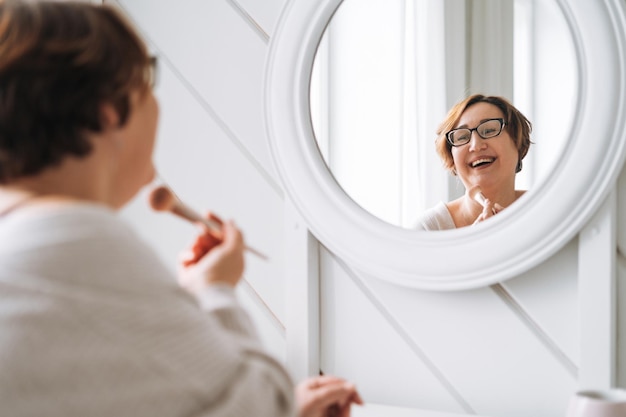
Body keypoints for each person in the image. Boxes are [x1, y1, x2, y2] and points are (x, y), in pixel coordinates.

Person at [0, 1, 362, 416]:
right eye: (146, 81)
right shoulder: (78, 242)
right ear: (109, 114)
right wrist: (215, 292)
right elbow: (264, 407)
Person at [414, 94, 532, 230]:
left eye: (489, 130)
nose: (476, 145)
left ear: (518, 142)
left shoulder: (548, 209)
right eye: (462, 137)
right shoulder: (429, 228)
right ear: (452, 158)